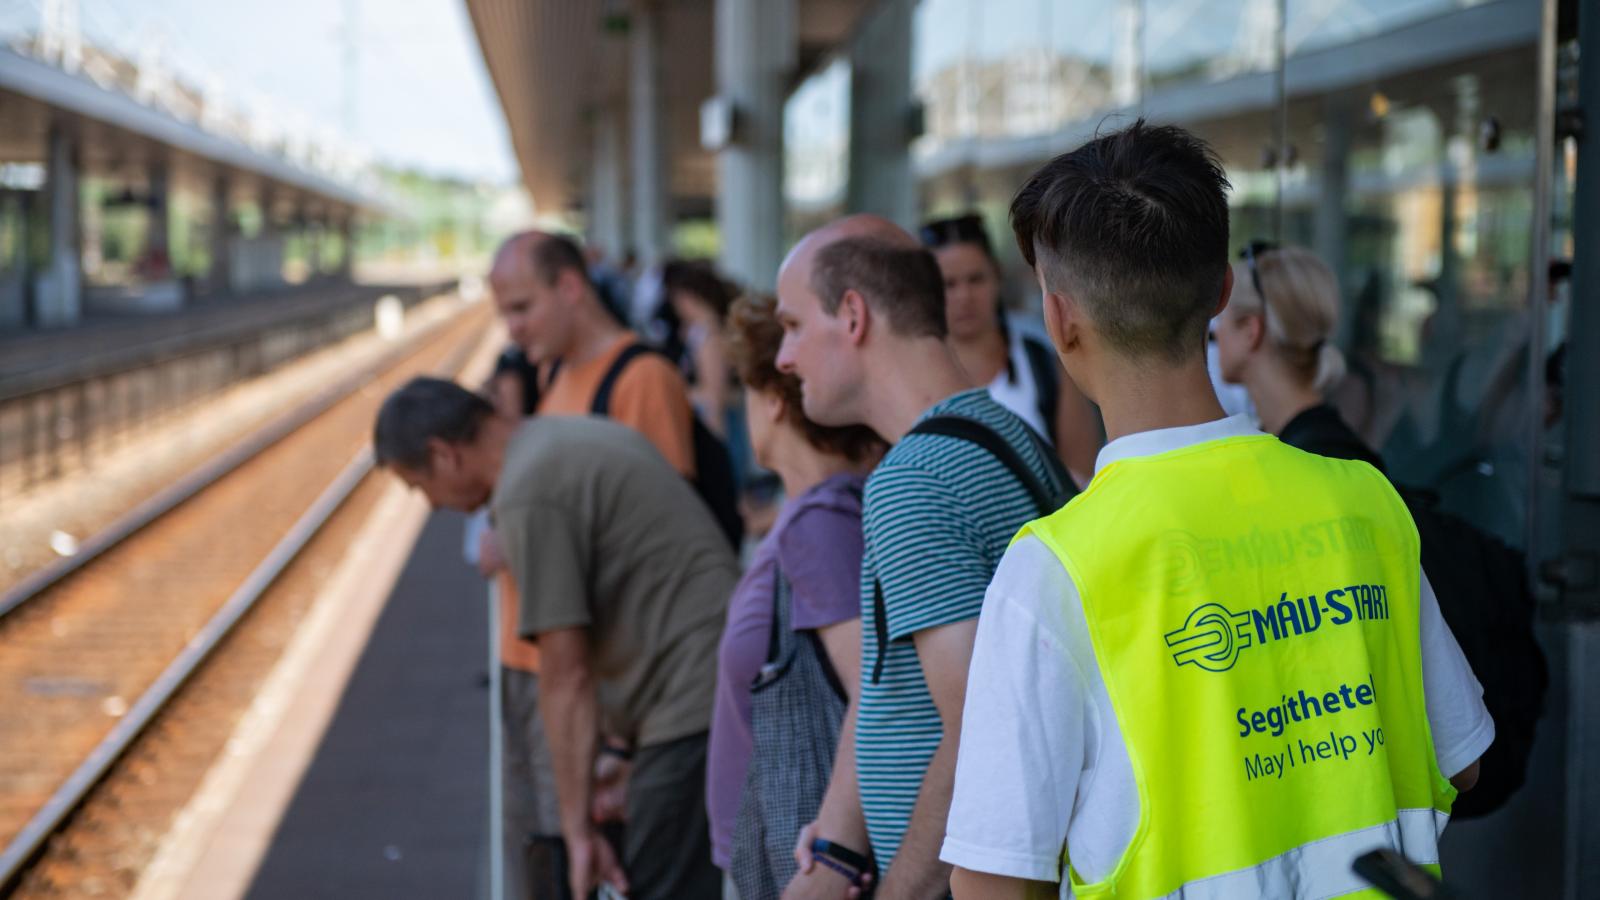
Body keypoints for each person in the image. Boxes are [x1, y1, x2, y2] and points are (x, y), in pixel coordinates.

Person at [940, 120, 1493, 899]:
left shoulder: (1058, 568)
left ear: (1061, 321)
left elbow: (992, 883)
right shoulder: (1363, 500)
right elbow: (1460, 759)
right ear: (1222, 293)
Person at [774, 215, 1073, 898]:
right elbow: (894, 685)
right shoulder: (1003, 432)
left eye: (792, 326)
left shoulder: (916, 479)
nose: (783, 359)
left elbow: (979, 731)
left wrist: (897, 892)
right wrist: (839, 852)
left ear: (852, 316)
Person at [1214, 241, 1546, 820]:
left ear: (1252, 330)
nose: (1211, 331)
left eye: (1223, 320)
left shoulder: (1306, 475)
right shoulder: (1342, 459)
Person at [373, 377, 735, 900]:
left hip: (689, 704)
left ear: (444, 455)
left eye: (417, 485)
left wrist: (577, 832)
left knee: (661, 886)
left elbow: (566, 676)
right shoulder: (556, 439)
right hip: (697, 687)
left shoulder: (529, 492)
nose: (430, 505)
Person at [708, 294, 883, 899]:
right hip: (782, 845)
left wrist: (829, 864)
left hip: (799, 858)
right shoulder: (812, 513)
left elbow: (875, 690)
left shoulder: (822, 523)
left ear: (776, 401)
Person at [489, 230, 697, 477]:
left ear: (569, 287)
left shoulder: (643, 377)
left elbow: (662, 507)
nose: (513, 329)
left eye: (522, 307)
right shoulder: (553, 370)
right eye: (506, 314)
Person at [919, 213, 1101, 484]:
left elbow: (1082, 477)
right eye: (949, 284)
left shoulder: (1043, 366)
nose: (964, 296)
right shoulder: (916, 371)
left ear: (997, 276)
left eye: (976, 279)